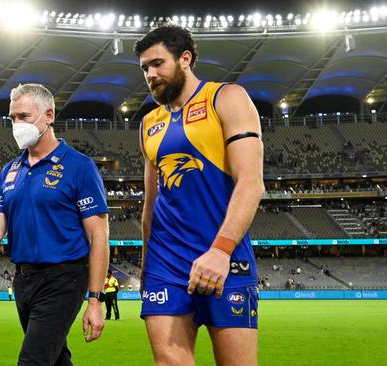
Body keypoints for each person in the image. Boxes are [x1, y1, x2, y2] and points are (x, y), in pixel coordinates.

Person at [0, 83, 110, 366]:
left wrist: (95, 299)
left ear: (49, 116)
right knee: (55, 359)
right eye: (12, 118)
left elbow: (98, 236)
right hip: (23, 281)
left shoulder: (79, 166)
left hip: (64, 278)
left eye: (23, 116)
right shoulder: (10, 171)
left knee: (33, 360)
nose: (16, 124)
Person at [135, 25, 264, 366]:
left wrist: (221, 251)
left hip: (225, 255)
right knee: (169, 361)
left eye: (158, 63)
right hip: (166, 260)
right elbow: (150, 204)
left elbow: (251, 183)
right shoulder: (149, 123)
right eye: (145, 68)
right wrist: (148, 266)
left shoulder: (227, 98)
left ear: (185, 59)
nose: (151, 74)